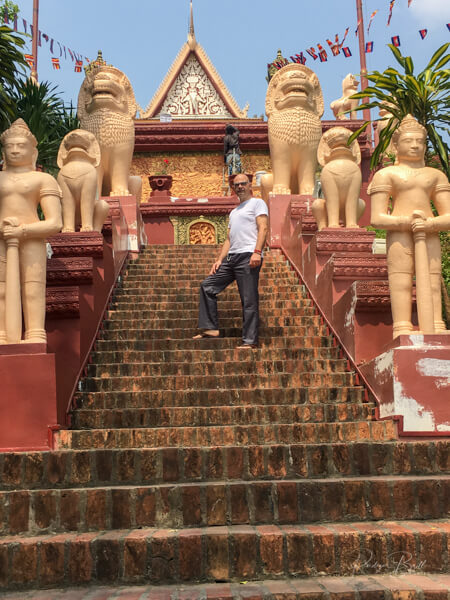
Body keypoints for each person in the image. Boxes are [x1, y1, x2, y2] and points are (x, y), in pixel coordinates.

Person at [369, 114, 450, 337]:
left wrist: (429, 223)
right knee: (401, 282)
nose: (415, 145)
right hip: (400, 234)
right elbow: (376, 218)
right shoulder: (387, 174)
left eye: (420, 141)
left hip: (428, 232)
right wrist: (407, 223)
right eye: (409, 141)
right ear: (395, 144)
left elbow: (448, 217)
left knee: (432, 280)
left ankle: (436, 323)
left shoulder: (435, 175)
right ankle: (402, 325)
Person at [0, 119, 62, 344]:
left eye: (21, 145)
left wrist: (23, 230)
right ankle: (3, 333)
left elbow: (55, 222)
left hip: (32, 238)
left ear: (33, 152)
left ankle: (36, 332)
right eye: (10, 146)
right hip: (2, 237)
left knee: (33, 289)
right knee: (1, 290)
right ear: (3, 151)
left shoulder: (43, 179)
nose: (15, 150)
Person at [194, 174, 269, 348]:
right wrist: (219, 260)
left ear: (250, 185)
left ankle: (250, 340)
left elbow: (263, 227)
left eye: (243, 183)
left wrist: (257, 252)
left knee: (248, 298)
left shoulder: (257, 203)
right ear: (233, 188)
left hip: (248, 255)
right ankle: (210, 328)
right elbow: (229, 238)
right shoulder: (234, 212)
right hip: (232, 257)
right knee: (207, 286)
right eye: (237, 185)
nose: (240, 186)